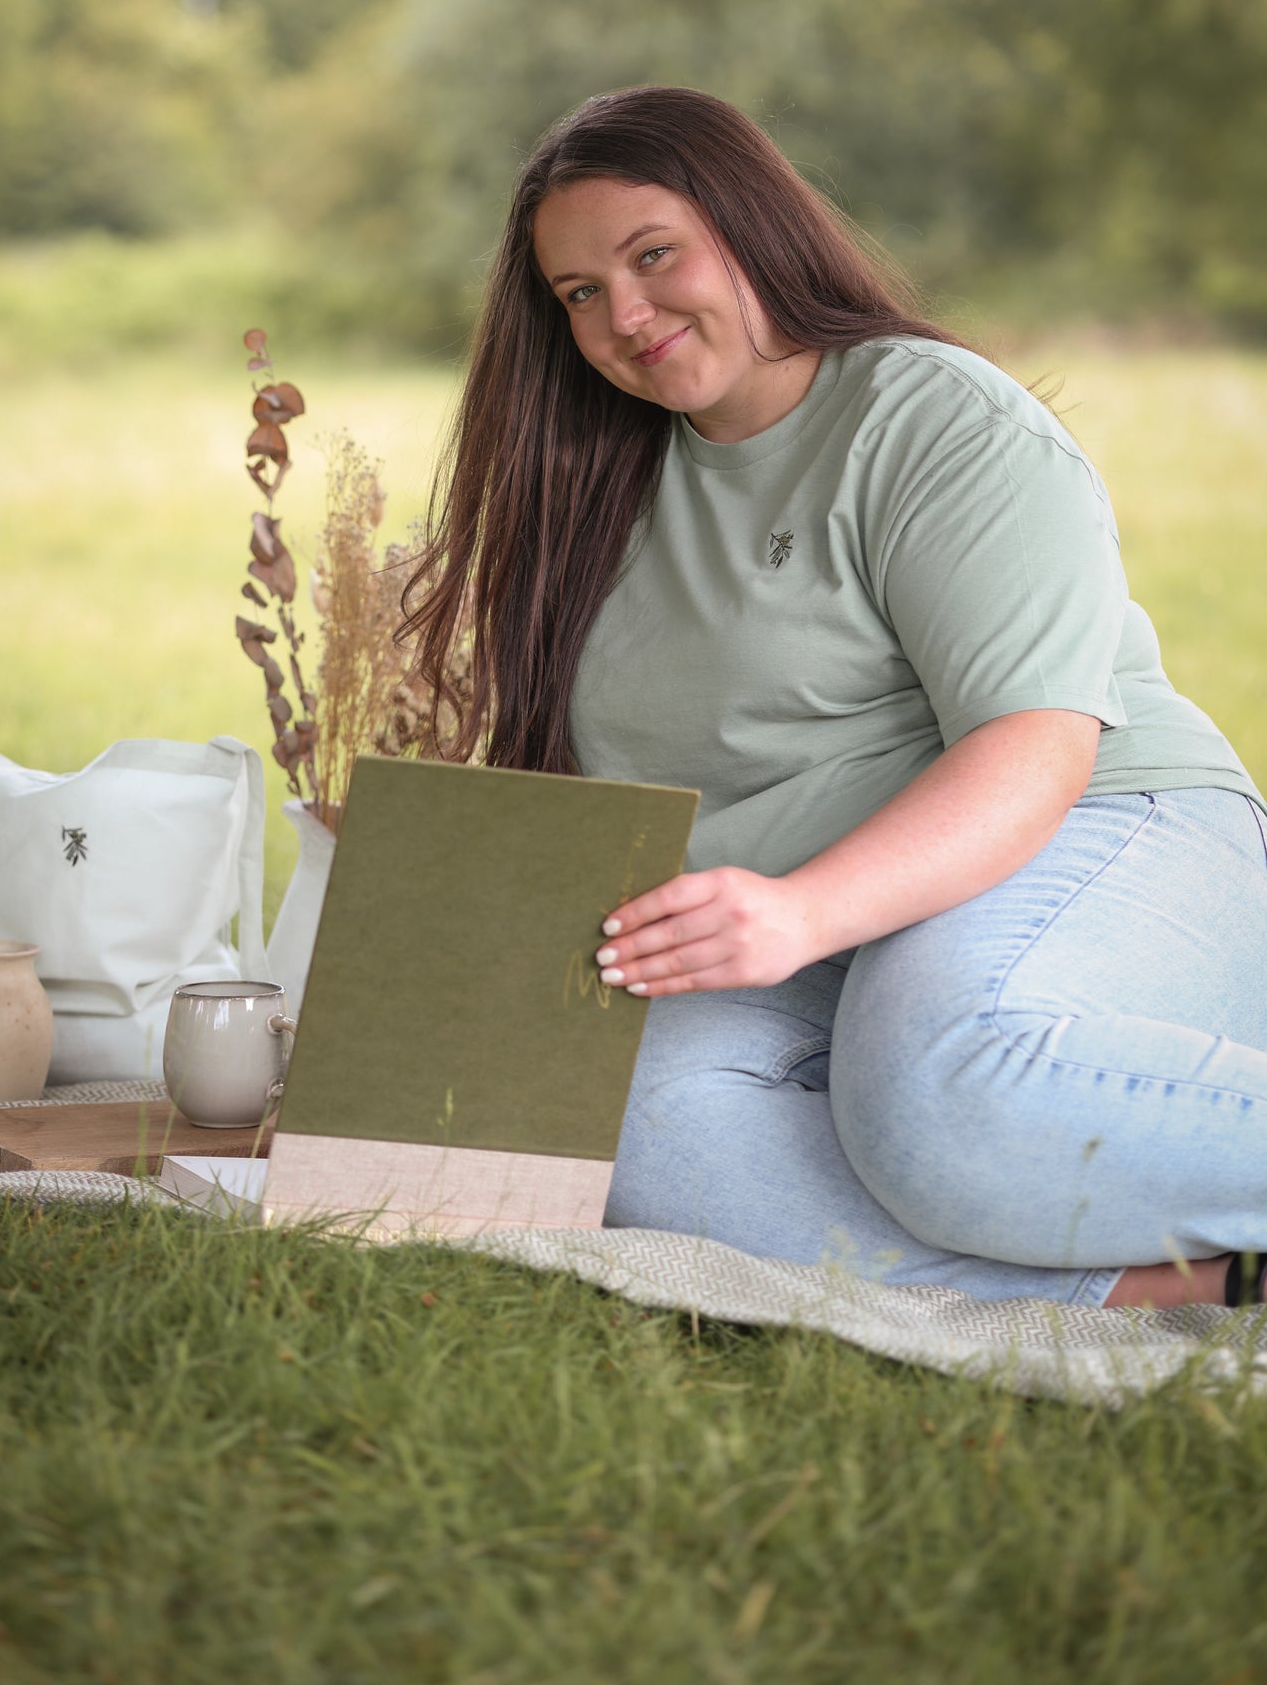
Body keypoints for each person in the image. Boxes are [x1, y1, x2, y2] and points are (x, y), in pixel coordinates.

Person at [406, 85, 1267, 1310]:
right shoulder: (595, 485)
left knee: (931, 1086)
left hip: (1098, 830)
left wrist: (802, 910)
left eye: (653, 255)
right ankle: (1184, 1284)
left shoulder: (930, 420)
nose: (625, 314)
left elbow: (1032, 747)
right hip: (809, 929)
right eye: (580, 294)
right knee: (648, 1138)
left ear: (750, 223)